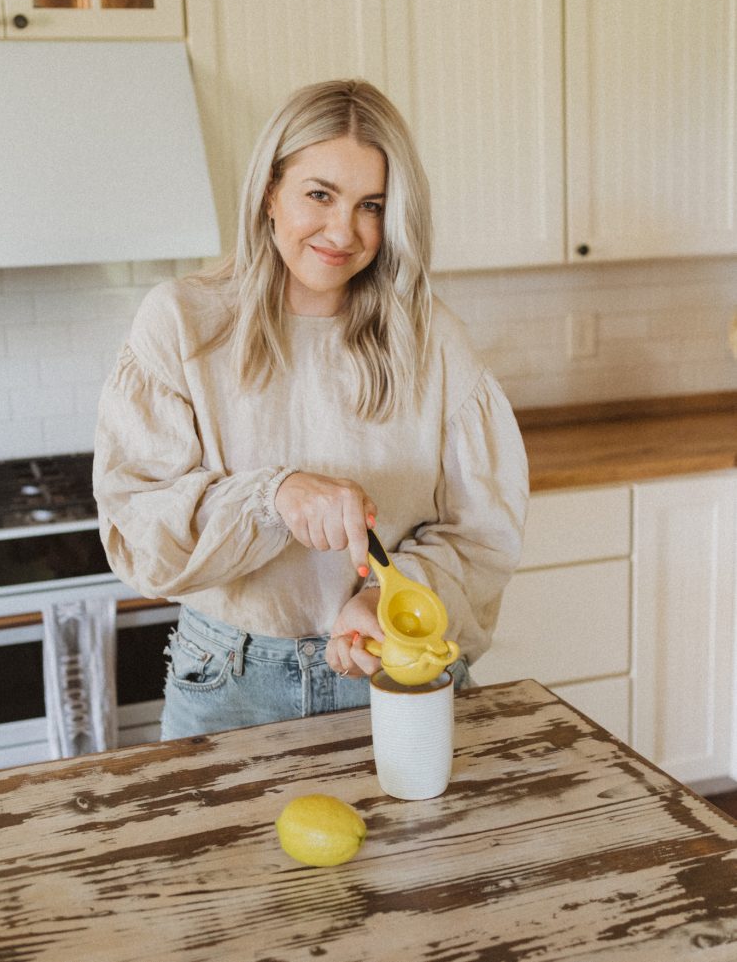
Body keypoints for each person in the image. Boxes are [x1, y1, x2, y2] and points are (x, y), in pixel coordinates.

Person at [93, 78, 529, 740]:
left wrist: (387, 596)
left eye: (371, 205)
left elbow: (481, 533)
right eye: (319, 194)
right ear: (270, 189)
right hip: (229, 681)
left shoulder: (430, 337)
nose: (344, 231)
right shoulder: (182, 323)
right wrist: (274, 496)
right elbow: (138, 527)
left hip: (391, 671)